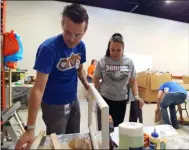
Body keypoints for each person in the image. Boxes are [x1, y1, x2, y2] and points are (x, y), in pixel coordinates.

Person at [15, 3, 89, 149]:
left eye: (78, 35)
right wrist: (30, 128)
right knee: (56, 143)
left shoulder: (81, 46)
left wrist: (87, 85)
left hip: (73, 101)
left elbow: (80, 69)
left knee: (74, 140)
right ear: (62, 23)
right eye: (68, 33)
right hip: (54, 107)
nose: (72, 39)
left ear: (84, 31)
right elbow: (37, 89)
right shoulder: (48, 49)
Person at [93, 33, 144, 128]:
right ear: (109, 48)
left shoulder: (129, 62)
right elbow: (96, 78)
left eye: (118, 50)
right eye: (112, 50)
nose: (115, 53)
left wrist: (137, 96)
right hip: (105, 99)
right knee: (103, 129)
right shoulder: (103, 61)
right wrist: (95, 97)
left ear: (123, 50)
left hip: (121, 101)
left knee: (117, 127)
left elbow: (133, 81)